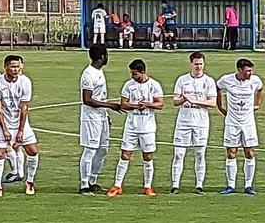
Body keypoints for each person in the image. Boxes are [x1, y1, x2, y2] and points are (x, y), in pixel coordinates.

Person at [107, 59, 164, 197]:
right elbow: (123, 104)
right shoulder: (128, 85)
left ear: (143, 72)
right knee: (125, 155)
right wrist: (135, 106)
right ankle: (117, 185)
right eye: (132, 74)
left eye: (135, 74)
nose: (133, 77)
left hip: (148, 128)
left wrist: (148, 104)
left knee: (147, 156)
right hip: (131, 127)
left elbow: (160, 104)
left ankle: (147, 186)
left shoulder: (154, 85)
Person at [0, 54, 39, 197]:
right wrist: (4, 129)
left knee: (33, 151)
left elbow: (24, 107)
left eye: (18, 66)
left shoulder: (25, 82)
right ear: (5, 67)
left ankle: (30, 181)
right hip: (1, 123)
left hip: (20, 122)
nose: (16, 69)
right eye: (12, 67)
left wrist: (21, 130)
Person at [217, 58, 265, 195]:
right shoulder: (227, 80)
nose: (249, 74)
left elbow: (261, 89)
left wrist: (257, 104)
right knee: (231, 152)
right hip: (232, 122)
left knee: (249, 152)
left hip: (248, 122)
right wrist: (220, 106)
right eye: (246, 71)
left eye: (250, 71)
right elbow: (217, 88)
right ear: (239, 70)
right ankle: (230, 185)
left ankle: (248, 185)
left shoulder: (255, 81)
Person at [171, 52, 217, 194]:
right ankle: (175, 185)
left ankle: (199, 185)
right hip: (184, 122)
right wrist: (184, 99)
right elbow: (175, 101)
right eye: (196, 64)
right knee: (179, 153)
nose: (199, 67)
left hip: (201, 123)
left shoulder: (208, 81)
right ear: (191, 64)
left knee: (200, 153)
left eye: (201, 64)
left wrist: (195, 101)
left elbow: (212, 102)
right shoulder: (182, 80)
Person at [79, 45, 120, 194]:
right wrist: (110, 106)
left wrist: (106, 114)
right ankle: (84, 184)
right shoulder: (88, 74)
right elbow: (87, 99)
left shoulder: (99, 72)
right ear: (102, 57)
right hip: (91, 118)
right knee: (90, 150)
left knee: (103, 149)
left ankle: (92, 179)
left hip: (101, 117)